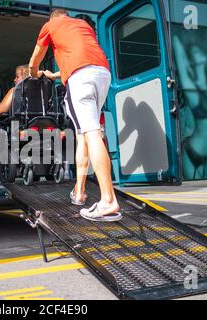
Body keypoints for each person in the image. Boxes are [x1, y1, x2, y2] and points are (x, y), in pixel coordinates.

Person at [28, 9, 121, 221]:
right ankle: (79, 193)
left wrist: (35, 74)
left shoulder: (50, 26)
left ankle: (108, 200)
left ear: (53, 17)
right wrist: (58, 74)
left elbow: (34, 61)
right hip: (102, 74)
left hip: (81, 79)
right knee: (83, 135)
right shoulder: (82, 25)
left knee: (91, 134)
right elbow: (83, 57)